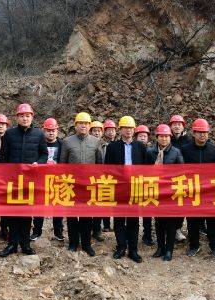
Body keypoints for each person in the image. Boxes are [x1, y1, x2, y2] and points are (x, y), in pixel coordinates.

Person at [0, 104, 48, 257]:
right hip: (13, 181)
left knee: (27, 213)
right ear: (17, 118)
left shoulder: (39, 135)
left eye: (28, 115)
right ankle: (12, 244)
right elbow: (3, 157)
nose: (25, 118)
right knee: (12, 213)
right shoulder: (9, 134)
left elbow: (44, 155)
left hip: (30, 181)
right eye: (22, 115)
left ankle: (25, 244)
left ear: (32, 117)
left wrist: (38, 163)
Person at [59, 112, 103, 256]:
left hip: (88, 186)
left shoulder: (96, 142)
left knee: (86, 216)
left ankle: (86, 244)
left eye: (86, 123)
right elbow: (62, 164)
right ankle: (72, 243)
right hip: (71, 185)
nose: (83, 125)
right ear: (75, 125)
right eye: (80, 123)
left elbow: (100, 165)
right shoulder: (67, 142)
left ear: (90, 126)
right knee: (71, 216)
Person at [105, 115, 147, 263]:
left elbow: (147, 169)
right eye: (125, 128)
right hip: (119, 188)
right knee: (118, 220)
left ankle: (133, 250)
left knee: (134, 220)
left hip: (135, 188)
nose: (128, 130)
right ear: (120, 129)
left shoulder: (140, 146)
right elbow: (107, 169)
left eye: (130, 128)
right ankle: (121, 247)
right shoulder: (112, 147)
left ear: (134, 129)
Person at [181, 118, 215, 259]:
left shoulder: (214, 150)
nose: (202, 135)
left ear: (208, 134)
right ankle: (194, 245)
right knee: (192, 221)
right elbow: (180, 170)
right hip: (192, 190)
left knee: (211, 221)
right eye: (199, 132)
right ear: (193, 133)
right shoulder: (185, 150)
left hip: (209, 192)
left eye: (204, 132)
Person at [146, 124, 183, 261]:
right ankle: (160, 248)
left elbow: (182, 172)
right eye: (161, 136)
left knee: (171, 223)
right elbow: (143, 172)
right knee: (159, 222)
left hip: (171, 192)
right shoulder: (150, 152)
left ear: (170, 137)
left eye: (166, 136)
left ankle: (169, 250)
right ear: (157, 137)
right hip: (156, 191)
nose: (164, 138)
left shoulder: (176, 152)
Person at [31, 117, 65, 242]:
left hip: (57, 180)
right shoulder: (39, 144)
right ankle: (36, 232)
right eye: (48, 130)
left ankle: (58, 232)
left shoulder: (62, 144)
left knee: (58, 207)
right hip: (40, 180)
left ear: (57, 131)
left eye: (53, 130)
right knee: (39, 207)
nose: (51, 132)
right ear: (43, 130)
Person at [169, 114, 191, 242]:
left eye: (179, 124)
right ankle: (169, 229)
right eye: (174, 124)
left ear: (183, 126)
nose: (177, 126)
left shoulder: (189, 140)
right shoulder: (167, 138)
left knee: (182, 204)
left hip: (184, 178)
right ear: (170, 126)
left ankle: (178, 228)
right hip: (168, 178)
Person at [135, 124, 154, 246]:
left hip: (148, 183)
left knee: (147, 212)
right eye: (140, 136)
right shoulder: (132, 149)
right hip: (135, 183)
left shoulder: (152, 151)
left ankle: (147, 236)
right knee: (134, 211)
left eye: (144, 136)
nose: (142, 138)